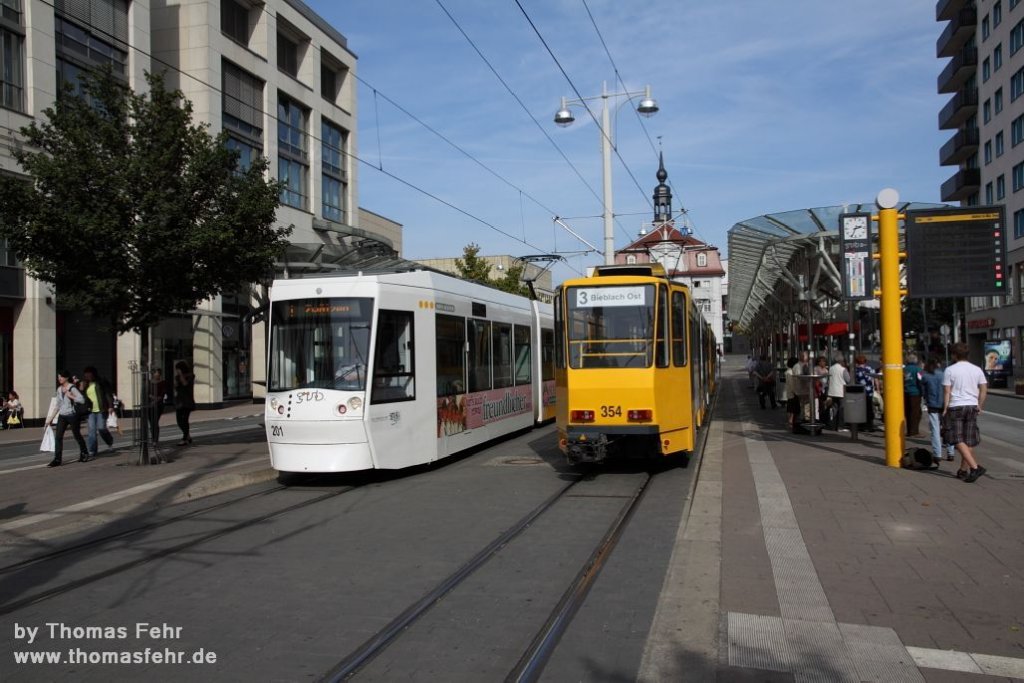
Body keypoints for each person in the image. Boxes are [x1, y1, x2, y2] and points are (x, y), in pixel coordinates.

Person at [943, 343, 988, 483]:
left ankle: (975, 468)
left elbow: (947, 391)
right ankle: (963, 470)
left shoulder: (950, 370)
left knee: (956, 439)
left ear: (954, 355)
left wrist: (945, 408)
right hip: (971, 406)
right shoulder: (977, 369)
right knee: (968, 440)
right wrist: (979, 405)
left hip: (956, 406)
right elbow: (983, 390)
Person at [49, 370, 88, 467]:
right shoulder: (59, 389)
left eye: (61, 377)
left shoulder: (72, 388)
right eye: (58, 377)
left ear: (66, 377)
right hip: (62, 416)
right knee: (58, 437)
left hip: (72, 415)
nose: (59, 379)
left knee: (77, 435)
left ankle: (84, 453)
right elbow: (57, 405)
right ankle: (57, 459)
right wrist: (50, 419)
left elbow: (82, 400)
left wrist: (71, 396)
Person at [921, 357, 955, 465]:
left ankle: (937, 454)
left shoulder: (925, 376)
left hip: (932, 405)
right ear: (939, 365)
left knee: (935, 430)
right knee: (947, 428)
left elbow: (923, 391)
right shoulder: (944, 375)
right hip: (945, 405)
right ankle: (951, 452)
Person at [81, 366, 115, 459]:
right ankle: (92, 450)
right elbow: (81, 397)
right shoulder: (85, 384)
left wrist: (110, 406)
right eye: (86, 375)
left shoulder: (101, 382)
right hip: (90, 411)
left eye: (89, 374)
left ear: (93, 374)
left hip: (101, 409)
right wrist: (80, 387)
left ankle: (109, 441)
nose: (87, 377)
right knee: (92, 431)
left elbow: (108, 394)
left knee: (101, 428)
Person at [852, 355, 879, 432]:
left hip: (859, 391)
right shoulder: (870, 369)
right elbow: (875, 379)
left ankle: (861, 426)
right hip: (869, 391)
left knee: (860, 409)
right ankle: (869, 426)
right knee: (869, 408)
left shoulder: (855, 370)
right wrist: (877, 389)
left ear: (857, 362)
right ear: (865, 361)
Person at [173, 360, 196, 446]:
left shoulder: (191, 376)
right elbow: (176, 387)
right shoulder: (177, 377)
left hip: (187, 401)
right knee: (179, 421)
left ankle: (184, 438)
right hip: (179, 401)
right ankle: (187, 436)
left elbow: (185, 384)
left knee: (185, 420)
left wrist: (181, 375)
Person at [826, 353, 849, 430]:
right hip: (841, 392)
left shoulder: (831, 368)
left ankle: (833, 425)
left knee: (834, 409)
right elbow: (848, 380)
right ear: (841, 361)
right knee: (842, 409)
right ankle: (840, 426)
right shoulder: (843, 369)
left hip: (832, 391)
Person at [903, 353, 924, 437]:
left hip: (905, 392)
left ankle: (909, 430)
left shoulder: (904, 369)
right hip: (915, 393)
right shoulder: (919, 369)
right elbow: (921, 380)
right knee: (916, 413)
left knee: (907, 412)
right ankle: (914, 431)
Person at [148, 369, 167, 444]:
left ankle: (155, 439)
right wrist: (152, 398)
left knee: (155, 421)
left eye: (158, 374)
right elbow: (147, 392)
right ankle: (153, 438)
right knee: (151, 422)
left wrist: (155, 400)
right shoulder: (149, 383)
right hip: (149, 405)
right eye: (156, 373)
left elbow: (162, 394)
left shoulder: (163, 383)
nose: (157, 375)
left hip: (159, 405)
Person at [784, 357, 802, 432]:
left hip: (790, 393)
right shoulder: (790, 373)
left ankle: (790, 423)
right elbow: (792, 384)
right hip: (793, 393)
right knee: (793, 409)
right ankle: (790, 424)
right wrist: (796, 392)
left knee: (791, 408)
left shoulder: (789, 371)